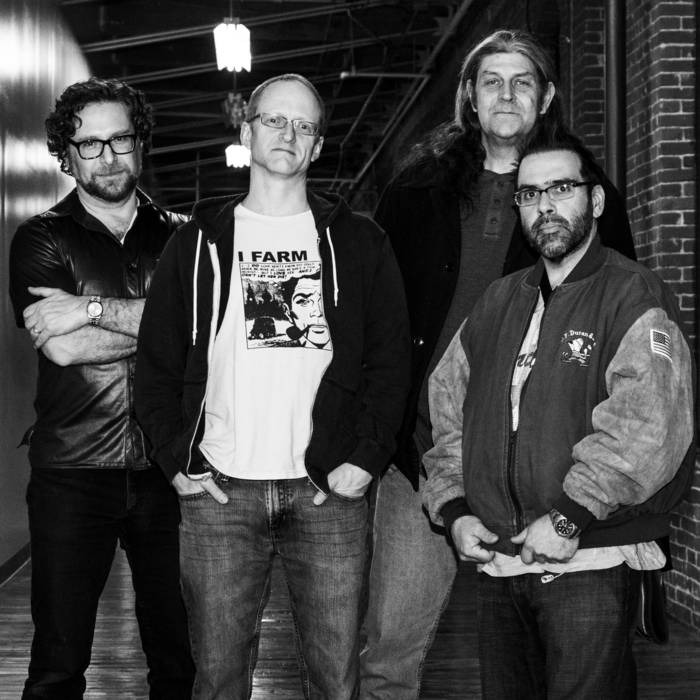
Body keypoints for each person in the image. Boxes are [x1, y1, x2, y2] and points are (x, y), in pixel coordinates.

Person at [360, 29, 636, 698]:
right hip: (426, 456)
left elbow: (617, 325)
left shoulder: (584, 195)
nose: (506, 94)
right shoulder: (415, 192)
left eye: (522, 81)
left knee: (555, 660)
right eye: (491, 81)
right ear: (470, 97)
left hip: (541, 465)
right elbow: (374, 323)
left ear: (547, 96)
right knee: (390, 652)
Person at [134, 73, 410, 700]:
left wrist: (366, 458)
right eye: (275, 120)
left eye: (304, 125)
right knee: (218, 680)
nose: (288, 133)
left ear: (318, 146)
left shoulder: (360, 241)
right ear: (247, 130)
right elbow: (155, 363)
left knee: (335, 681)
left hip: (327, 491)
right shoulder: (196, 242)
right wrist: (175, 459)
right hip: (220, 492)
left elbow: (391, 360)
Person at [422, 133, 694, 698]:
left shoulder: (633, 294)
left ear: (595, 200)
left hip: (591, 559)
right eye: (529, 194)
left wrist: (569, 517)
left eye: (561, 188)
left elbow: (651, 427)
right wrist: (454, 508)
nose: (544, 206)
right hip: (502, 563)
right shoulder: (498, 302)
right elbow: (444, 407)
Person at [8, 78, 194, 699]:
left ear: (141, 142)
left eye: (120, 139)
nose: (108, 156)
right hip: (71, 469)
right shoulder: (41, 237)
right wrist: (171, 326)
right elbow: (62, 348)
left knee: (181, 658)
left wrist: (88, 311)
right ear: (67, 155)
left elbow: (207, 333)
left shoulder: (186, 236)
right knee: (57, 665)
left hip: (172, 467)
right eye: (89, 144)